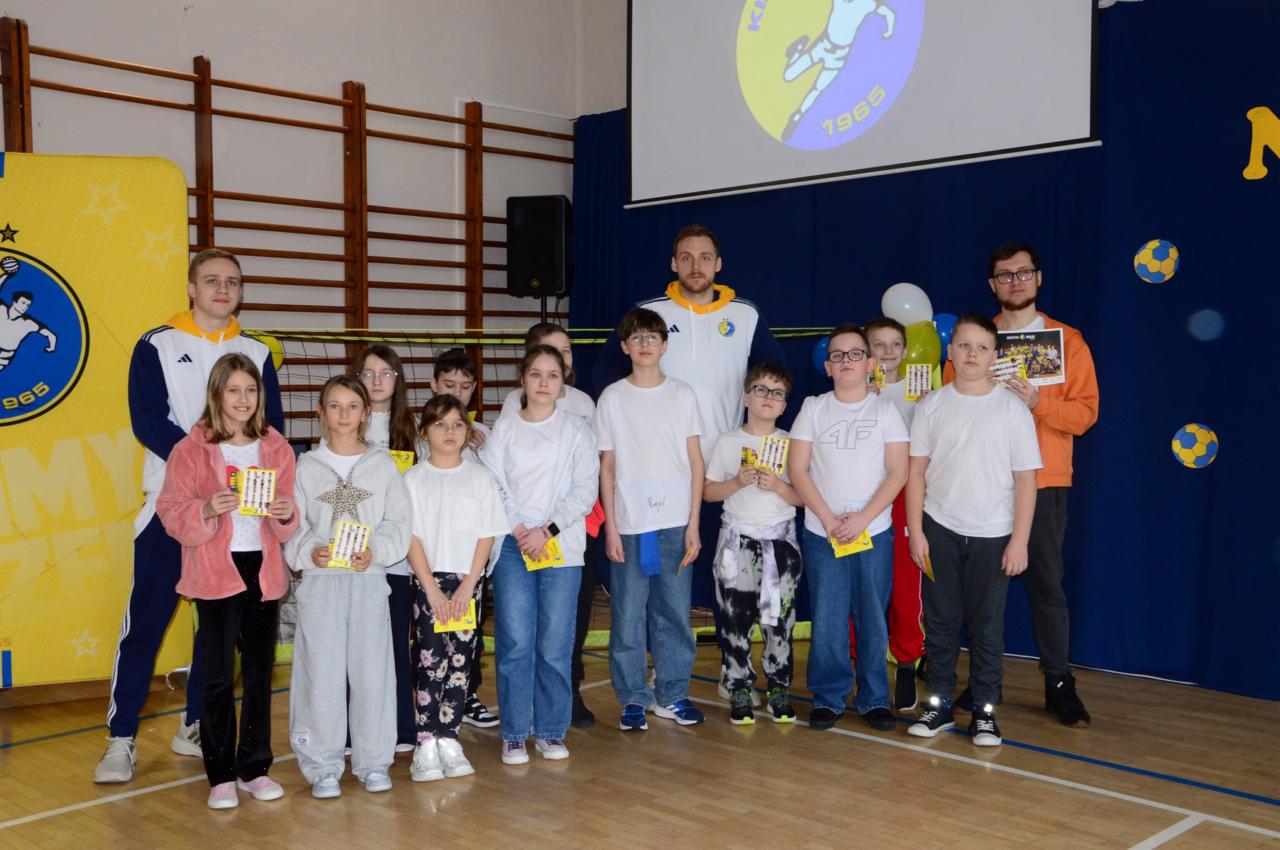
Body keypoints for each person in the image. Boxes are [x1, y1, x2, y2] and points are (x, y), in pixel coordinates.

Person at [96, 248, 284, 784]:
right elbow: (147, 420)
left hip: (238, 514)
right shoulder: (157, 344)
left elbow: (270, 428)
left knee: (220, 631)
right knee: (146, 622)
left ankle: (196, 722)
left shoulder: (256, 351)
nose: (223, 289)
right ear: (191, 287)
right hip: (172, 505)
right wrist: (203, 471)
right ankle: (121, 737)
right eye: (212, 280)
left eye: (232, 282)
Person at [591, 224, 784, 704]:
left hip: (729, 470)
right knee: (662, 589)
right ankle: (652, 683)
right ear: (673, 264)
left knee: (729, 581)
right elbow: (607, 375)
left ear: (719, 264)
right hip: (663, 479)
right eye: (686, 257)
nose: (696, 266)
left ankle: (732, 673)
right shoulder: (650, 313)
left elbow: (773, 374)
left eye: (705, 257)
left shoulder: (745, 314)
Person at [947, 243, 1099, 725]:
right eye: (1004, 275)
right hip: (982, 483)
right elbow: (948, 402)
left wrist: (1037, 401)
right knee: (980, 592)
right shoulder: (975, 342)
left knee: (1046, 587)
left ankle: (1059, 683)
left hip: (1044, 482)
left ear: (1039, 278)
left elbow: (1085, 415)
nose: (1015, 281)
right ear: (991, 284)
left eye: (1024, 272)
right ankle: (983, 681)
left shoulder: (1067, 341)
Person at [154, 353, 298, 809]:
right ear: (217, 394)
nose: (243, 399)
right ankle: (220, 774)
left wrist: (285, 514)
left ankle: (254, 768)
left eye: (251, 390)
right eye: (233, 390)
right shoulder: (191, 449)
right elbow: (170, 510)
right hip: (215, 572)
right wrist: (205, 509)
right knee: (217, 676)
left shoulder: (276, 447)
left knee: (258, 673)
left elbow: (289, 512)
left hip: (263, 570)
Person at [905, 316, 1042, 746]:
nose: (971, 354)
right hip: (939, 528)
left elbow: (1026, 480)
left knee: (986, 627)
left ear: (994, 356)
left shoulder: (1012, 409)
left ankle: (984, 711)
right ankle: (939, 705)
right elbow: (916, 473)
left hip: (994, 534)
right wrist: (916, 531)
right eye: (964, 345)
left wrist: (1019, 540)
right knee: (941, 622)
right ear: (950, 352)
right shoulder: (932, 406)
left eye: (982, 348)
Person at [286, 375, 412, 798]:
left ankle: (373, 761)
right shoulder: (305, 467)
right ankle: (322, 765)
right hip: (320, 585)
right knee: (320, 673)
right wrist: (310, 551)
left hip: (368, 581)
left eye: (352, 406)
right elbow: (291, 525)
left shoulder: (382, 465)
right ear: (320, 412)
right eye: (335, 406)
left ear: (366, 413)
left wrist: (375, 551)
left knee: (373, 671)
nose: (344, 414)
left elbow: (399, 521)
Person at [788, 323, 908, 732]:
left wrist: (862, 518)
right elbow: (798, 469)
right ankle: (828, 696)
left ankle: (874, 698)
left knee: (873, 616)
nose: (846, 361)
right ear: (827, 367)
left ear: (870, 363)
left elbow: (897, 472)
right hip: (822, 533)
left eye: (855, 354)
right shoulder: (813, 408)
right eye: (837, 355)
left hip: (873, 531)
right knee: (828, 616)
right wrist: (827, 517)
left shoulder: (886, 412)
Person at [482, 346, 599, 764]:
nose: (544, 382)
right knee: (515, 641)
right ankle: (515, 733)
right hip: (515, 548)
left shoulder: (577, 431)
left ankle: (550, 731)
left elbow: (585, 490)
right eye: (536, 374)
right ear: (523, 380)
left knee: (554, 644)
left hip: (560, 549)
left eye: (552, 375)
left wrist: (547, 530)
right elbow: (493, 483)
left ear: (562, 382)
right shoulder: (505, 429)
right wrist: (520, 529)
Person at [594, 307, 705, 731]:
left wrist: (694, 523)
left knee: (674, 613)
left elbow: (695, 462)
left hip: (676, 523)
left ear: (664, 345)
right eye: (636, 338)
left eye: (652, 338)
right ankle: (633, 698)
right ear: (625, 347)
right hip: (630, 525)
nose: (644, 345)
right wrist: (611, 526)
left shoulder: (683, 395)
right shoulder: (612, 398)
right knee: (627, 616)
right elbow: (607, 466)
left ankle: (672, 694)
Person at [403, 395, 507, 782]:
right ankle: (426, 743)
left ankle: (449, 737)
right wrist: (430, 588)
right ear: (424, 432)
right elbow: (411, 536)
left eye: (457, 424)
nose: (450, 431)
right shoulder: (413, 479)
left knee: (461, 663)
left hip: (466, 584)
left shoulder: (479, 478)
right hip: (428, 583)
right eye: (440, 424)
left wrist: (469, 585)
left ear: (467, 431)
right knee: (430, 662)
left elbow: (487, 533)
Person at [703, 362, 804, 725]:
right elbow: (708, 492)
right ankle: (739, 686)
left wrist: (778, 486)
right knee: (735, 618)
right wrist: (735, 483)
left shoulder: (792, 443)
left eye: (777, 393)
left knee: (779, 620)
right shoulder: (728, 442)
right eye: (760, 389)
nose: (768, 398)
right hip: (737, 540)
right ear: (746, 397)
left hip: (780, 542)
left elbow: (803, 498)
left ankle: (779, 685)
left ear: (784, 404)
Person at [849, 316, 926, 711]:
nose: (888, 351)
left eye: (896, 343)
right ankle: (858, 664)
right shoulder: (852, 389)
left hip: (904, 496)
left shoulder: (921, 388)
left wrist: (927, 405)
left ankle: (908, 661)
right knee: (861, 584)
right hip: (862, 496)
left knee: (906, 585)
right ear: (866, 351)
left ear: (906, 349)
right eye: (879, 344)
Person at [352, 344, 420, 753]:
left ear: (398, 379)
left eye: (386, 373)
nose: (377, 381)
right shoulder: (345, 424)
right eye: (368, 373)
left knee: (396, 646)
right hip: (353, 558)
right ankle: (351, 733)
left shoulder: (414, 429)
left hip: (396, 560)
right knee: (355, 650)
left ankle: (402, 729)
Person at [429, 346, 499, 728]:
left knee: (470, 632)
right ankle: (427, 705)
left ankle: (466, 695)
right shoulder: (422, 432)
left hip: (472, 557)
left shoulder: (486, 436)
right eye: (449, 384)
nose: (457, 392)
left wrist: (484, 450)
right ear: (433, 385)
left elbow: (500, 489)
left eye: (465, 386)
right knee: (430, 638)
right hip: (431, 555)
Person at [780, 0, 896, 141]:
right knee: (788, 76)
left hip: (839, 56)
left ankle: (797, 117)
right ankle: (797, 50)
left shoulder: (867, 3)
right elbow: (888, 13)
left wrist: (889, 31)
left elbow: (889, 13)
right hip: (822, 45)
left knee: (817, 89)